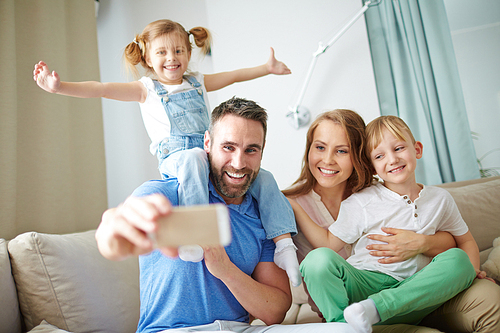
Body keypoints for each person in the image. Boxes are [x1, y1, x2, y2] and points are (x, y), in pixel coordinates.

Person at [33, 19, 300, 286]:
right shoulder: (145, 90)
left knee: (263, 176)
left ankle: (285, 245)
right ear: (147, 57)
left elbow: (234, 76)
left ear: (188, 52)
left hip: (208, 157)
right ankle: (192, 234)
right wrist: (60, 87)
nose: (171, 58)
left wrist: (266, 68)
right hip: (178, 158)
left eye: (178, 51)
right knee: (193, 158)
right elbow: (100, 89)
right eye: (161, 52)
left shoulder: (197, 82)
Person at [95, 97, 357, 333]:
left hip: (241, 329)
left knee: (347, 331)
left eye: (251, 150)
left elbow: (276, 310)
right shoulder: (165, 195)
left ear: (262, 152)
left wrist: (225, 270)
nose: (239, 162)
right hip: (172, 330)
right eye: (228, 147)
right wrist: (113, 225)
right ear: (207, 143)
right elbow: (113, 237)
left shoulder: (263, 214)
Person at [284, 110, 500, 333]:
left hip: (418, 291)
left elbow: (464, 242)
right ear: (371, 164)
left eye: (398, 149)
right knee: (316, 259)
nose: (392, 159)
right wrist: (295, 207)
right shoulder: (362, 201)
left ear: (416, 149)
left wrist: (468, 271)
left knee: (459, 260)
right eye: (380, 156)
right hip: (366, 285)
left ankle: (375, 309)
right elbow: (328, 246)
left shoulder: (440, 199)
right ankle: (344, 326)